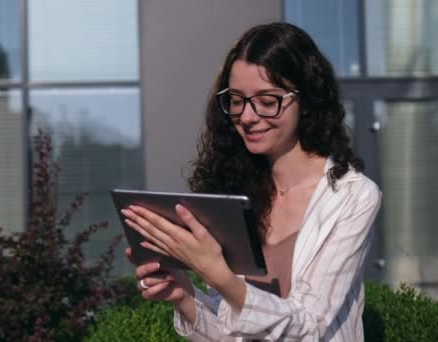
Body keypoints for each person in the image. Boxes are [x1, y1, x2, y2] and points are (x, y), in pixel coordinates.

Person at [122, 22, 381, 341]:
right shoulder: (237, 191)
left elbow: (311, 328)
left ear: (308, 99)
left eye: (267, 101)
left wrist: (216, 272)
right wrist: (183, 295)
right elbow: (232, 330)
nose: (247, 116)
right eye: (236, 100)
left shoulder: (353, 197)